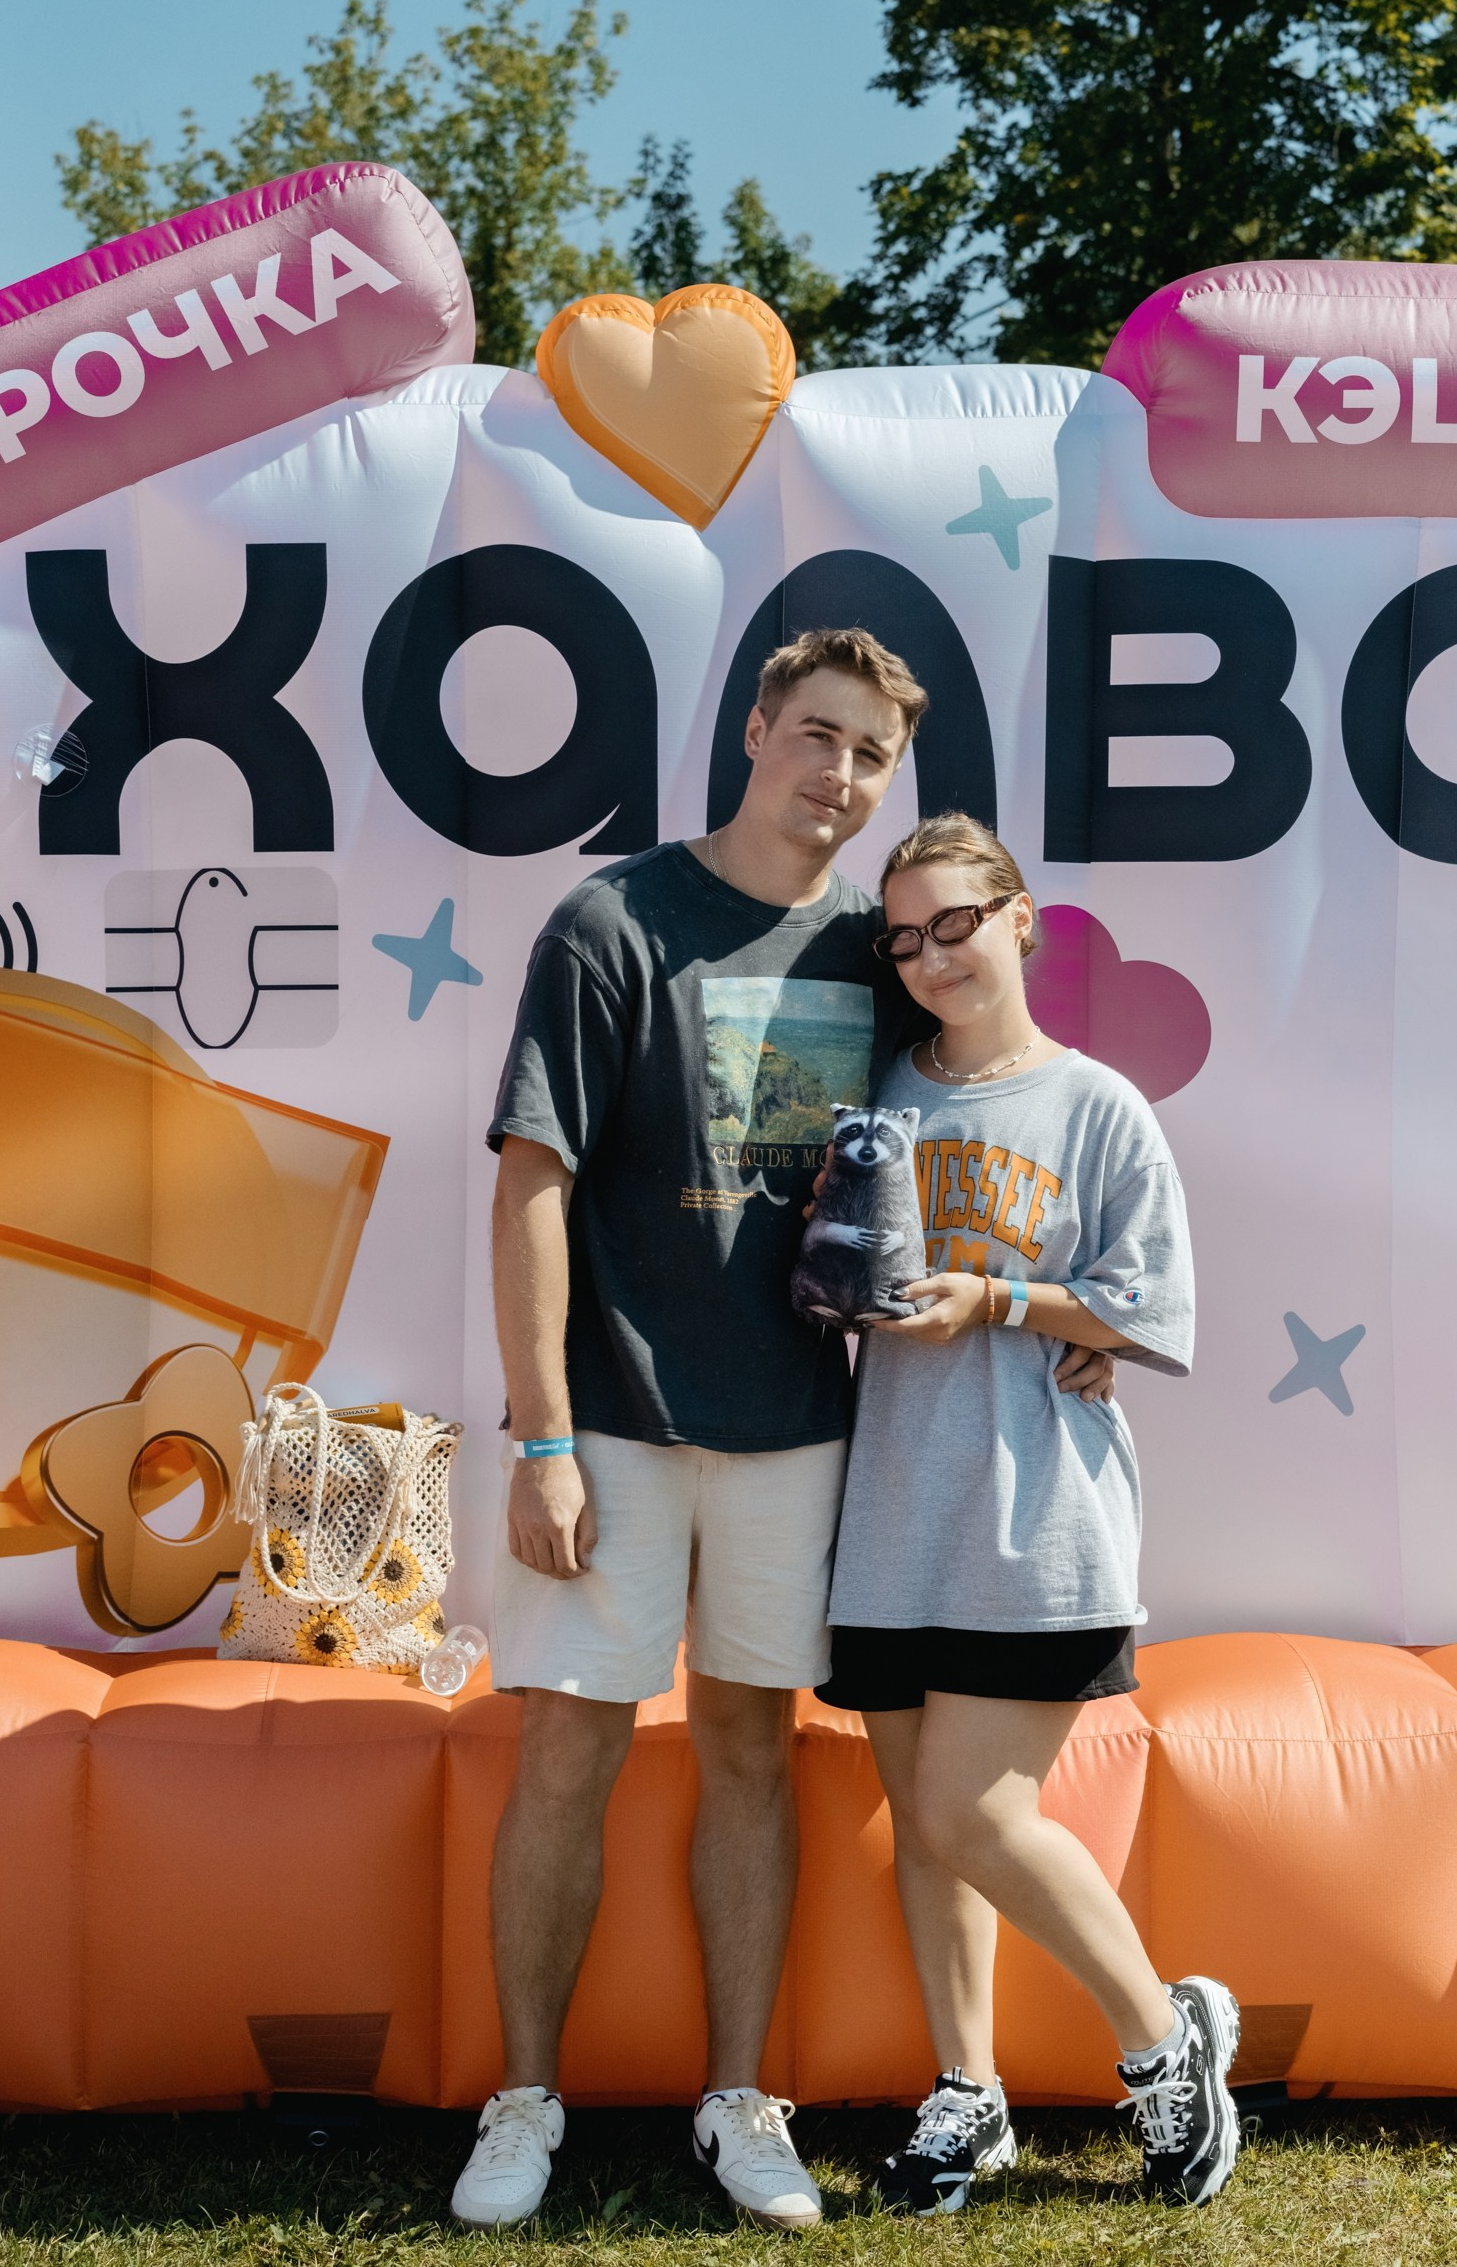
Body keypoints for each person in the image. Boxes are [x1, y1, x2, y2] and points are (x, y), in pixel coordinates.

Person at [452, 628, 1116, 2230]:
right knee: (567, 1750)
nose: (840, 772)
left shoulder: (881, 954)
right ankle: (523, 2099)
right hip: (611, 1423)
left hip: (805, 1430)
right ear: (755, 730)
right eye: (818, 733)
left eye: (872, 754)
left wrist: (1069, 1316)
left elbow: (984, 1113)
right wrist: (541, 1436)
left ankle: (741, 2101)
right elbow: (531, 1182)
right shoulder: (614, 920)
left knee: (751, 1751)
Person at [816, 812, 1240, 2215]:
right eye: (906, 939)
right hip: (889, 1507)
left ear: (1019, 920)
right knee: (924, 1822)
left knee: (971, 1811)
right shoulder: (877, 1089)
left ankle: (1163, 2043)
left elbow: (1155, 1309)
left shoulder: (1098, 1106)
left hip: (1037, 1514)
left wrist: (1009, 1300)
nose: (933, 956)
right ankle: (968, 2091)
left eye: (956, 923)